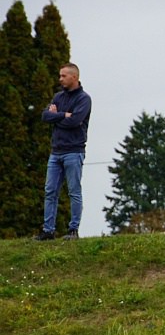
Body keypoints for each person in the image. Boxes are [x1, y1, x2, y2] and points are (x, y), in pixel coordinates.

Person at [37, 63, 92, 241]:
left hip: (74, 152)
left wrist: (57, 116)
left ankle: (73, 230)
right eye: (60, 76)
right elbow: (45, 116)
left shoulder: (84, 99)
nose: (60, 79)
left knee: (73, 191)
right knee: (50, 191)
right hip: (56, 152)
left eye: (63, 76)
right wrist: (63, 114)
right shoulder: (58, 97)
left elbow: (75, 121)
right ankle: (48, 230)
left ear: (74, 77)